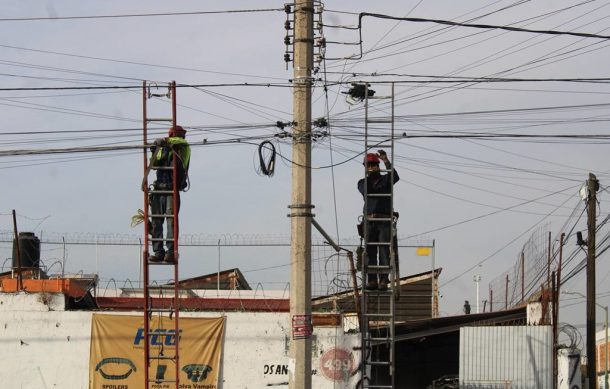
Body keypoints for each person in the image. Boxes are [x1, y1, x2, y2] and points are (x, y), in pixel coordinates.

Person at [143, 125, 191, 263]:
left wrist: (164, 141)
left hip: (172, 189)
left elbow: (181, 142)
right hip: (159, 189)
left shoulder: (183, 147)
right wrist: (155, 150)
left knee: (171, 222)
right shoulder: (163, 148)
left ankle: (170, 252)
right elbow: (155, 163)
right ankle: (158, 251)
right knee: (157, 222)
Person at [357, 149, 399, 290]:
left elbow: (395, 176)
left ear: (378, 165)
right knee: (370, 250)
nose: (372, 168)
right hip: (369, 221)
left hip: (384, 221)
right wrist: (374, 178)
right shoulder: (362, 182)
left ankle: (383, 280)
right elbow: (368, 191)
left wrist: (386, 161)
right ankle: (372, 280)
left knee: (383, 250)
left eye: (374, 165)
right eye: (369, 165)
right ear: (365, 167)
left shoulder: (386, 179)